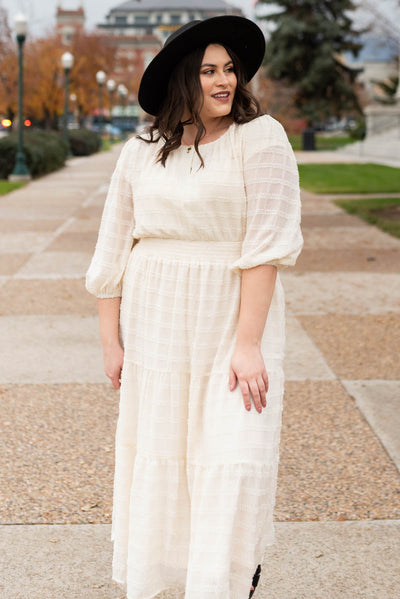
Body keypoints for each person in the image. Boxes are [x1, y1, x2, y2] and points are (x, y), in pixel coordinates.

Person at [86, 15, 303, 599]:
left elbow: (267, 247)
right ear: (184, 78)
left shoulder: (261, 139)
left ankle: (226, 585)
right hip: (155, 323)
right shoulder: (141, 151)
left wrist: (248, 343)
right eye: (209, 70)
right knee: (162, 455)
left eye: (230, 69)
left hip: (230, 321)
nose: (224, 81)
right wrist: (112, 343)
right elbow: (112, 252)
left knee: (233, 455)